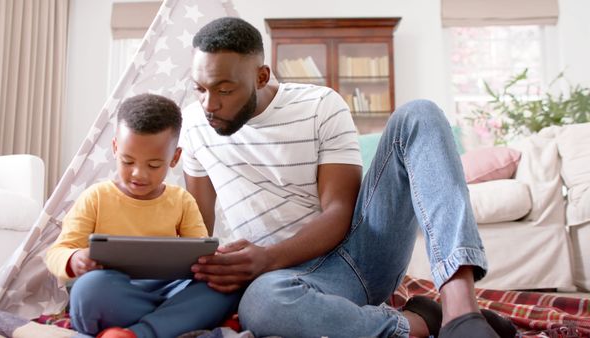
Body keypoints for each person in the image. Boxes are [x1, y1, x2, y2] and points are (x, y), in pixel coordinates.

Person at [182, 17, 513, 337]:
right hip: (284, 281)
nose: (209, 104)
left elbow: (339, 213)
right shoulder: (194, 125)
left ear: (261, 76)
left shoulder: (319, 105)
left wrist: (266, 258)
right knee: (262, 305)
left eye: (224, 90)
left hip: (356, 256)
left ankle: (461, 312)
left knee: (419, 114)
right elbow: (197, 231)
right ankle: (423, 323)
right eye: (200, 89)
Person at [45, 94, 242, 338]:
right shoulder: (96, 197)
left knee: (224, 286)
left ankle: (138, 333)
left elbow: (200, 255)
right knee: (88, 289)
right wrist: (74, 259)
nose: (139, 174)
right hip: (115, 292)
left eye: (153, 165)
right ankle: (167, 323)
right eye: (128, 161)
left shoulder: (181, 200)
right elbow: (55, 253)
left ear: (174, 158)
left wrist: (215, 263)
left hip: (167, 290)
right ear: (116, 148)